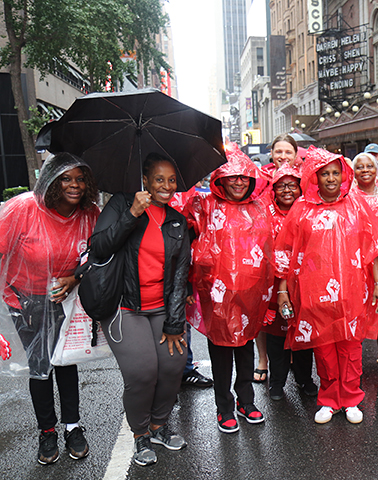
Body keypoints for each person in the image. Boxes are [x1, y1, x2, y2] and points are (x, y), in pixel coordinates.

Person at [274, 146, 378, 425]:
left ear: (343, 175)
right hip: (314, 291)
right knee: (323, 347)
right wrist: (283, 290)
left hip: (352, 290)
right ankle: (328, 398)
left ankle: (351, 398)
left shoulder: (356, 204)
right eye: (325, 173)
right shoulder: (302, 209)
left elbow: (371, 247)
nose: (331, 178)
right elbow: (286, 252)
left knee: (350, 347)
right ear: (315, 177)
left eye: (336, 172)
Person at [92, 153, 191, 466]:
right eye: (159, 179)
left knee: (173, 366)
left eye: (171, 180)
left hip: (161, 306)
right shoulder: (121, 204)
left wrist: (174, 324)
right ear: (145, 180)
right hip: (125, 306)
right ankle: (140, 434)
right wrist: (132, 214)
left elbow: (180, 276)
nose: (166, 186)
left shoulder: (177, 220)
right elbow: (99, 247)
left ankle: (159, 426)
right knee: (143, 372)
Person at [0, 153, 99, 464]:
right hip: (24, 300)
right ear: (51, 181)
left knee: (66, 361)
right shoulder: (22, 209)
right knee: (40, 365)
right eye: (66, 178)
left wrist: (75, 278)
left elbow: (99, 253)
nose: (74, 185)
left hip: (66, 298)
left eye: (81, 179)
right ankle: (47, 431)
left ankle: (72, 426)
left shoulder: (90, 214)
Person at [184, 145, 274, 433]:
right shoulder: (205, 205)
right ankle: (223, 406)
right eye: (232, 176)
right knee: (221, 352)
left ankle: (246, 400)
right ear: (220, 178)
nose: (238, 182)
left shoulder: (259, 207)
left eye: (244, 176)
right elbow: (186, 238)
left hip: (250, 292)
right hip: (217, 294)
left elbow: (269, 247)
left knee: (245, 349)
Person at [262, 163, 317, 401]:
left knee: (305, 333)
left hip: (305, 283)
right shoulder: (265, 215)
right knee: (276, 336)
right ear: (273, 189)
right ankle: (277, 382)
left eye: (292, 185)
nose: (287, 190)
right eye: (281, 186)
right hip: (274, 286)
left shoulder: (310, 212)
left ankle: (305, 378)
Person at [256, 134, 300, 381]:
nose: (283, 156)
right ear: (271, 153)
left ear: (295, 155)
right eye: (278, 151)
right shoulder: (262, 179)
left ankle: (291, 352)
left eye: (288, 152)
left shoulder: (304, 179)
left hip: (297, 260)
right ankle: (263, 358)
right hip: (267, 258)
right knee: (265, 312)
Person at [169, 179, 214, 388]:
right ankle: (166, 376)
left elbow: (193, 235)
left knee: (179, 319)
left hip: (180, 266)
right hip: (150, 272)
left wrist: (187, 282)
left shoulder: (192, 194)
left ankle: (184, 370)